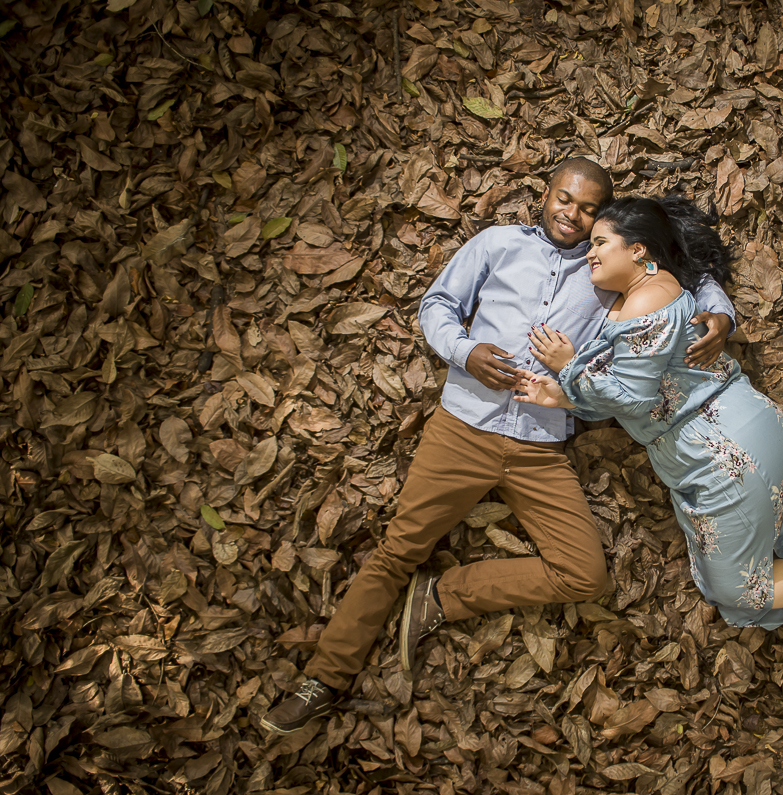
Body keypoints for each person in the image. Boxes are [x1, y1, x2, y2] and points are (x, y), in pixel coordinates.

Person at [260, 160, 737, 735]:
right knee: (397, 550)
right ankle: (324, 678)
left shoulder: (605, 265)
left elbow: (685, 270)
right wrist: (466, 353)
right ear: (546, 193)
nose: (573, 215)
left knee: (585, 575)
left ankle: (443, 595)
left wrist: (721, 314)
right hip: (462, 429)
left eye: (589, 210)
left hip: (539, 444)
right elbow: (437, 305)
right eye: (565, 199)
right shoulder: (499, 244)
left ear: (602, 219)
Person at [515, 196, 783, 640]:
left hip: (722, 457)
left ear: (637, 249)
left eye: (600, 243)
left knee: (734, 588)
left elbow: (633, 400)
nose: (590, 253)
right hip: (758, 426)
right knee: (754, 561)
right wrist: (565, 398)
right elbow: (641, 387)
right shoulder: (660, 290)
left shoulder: (642, 303)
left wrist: (570, 366)